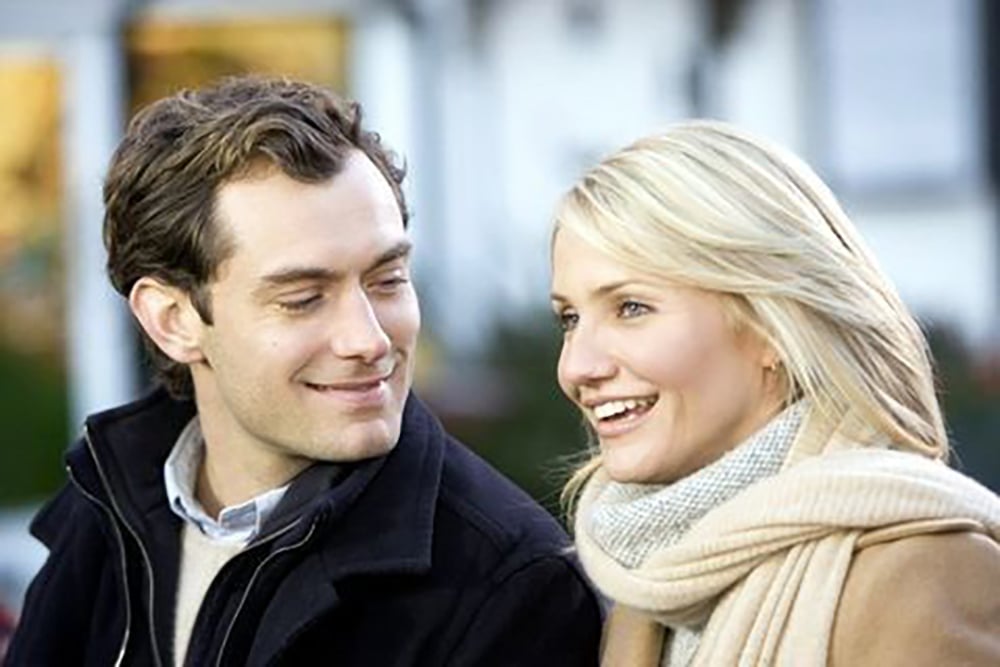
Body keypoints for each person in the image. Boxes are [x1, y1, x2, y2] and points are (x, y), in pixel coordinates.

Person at [6, 75, 601, 667]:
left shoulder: (508, 587)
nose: (369, 339)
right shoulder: (104, 508)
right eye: (303, 298)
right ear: (173, 320)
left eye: (387, 279)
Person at [549, 120, 1000, 665]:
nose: (577, 366)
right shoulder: (644, 584)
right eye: (569, 318)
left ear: (771, 327)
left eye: (632, 308)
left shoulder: (929, 573)